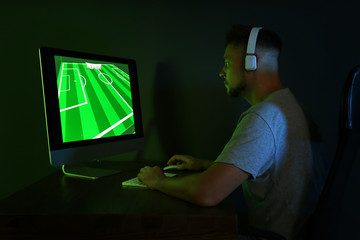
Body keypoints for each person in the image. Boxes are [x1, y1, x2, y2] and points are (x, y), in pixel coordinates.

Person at [137, 24, 328, 240]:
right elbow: (271, 167)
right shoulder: (289, 106)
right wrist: (206, 165)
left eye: (227, 63)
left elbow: (207, 193)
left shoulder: (263, 117)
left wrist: (158, 181)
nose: (221, 72)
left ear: (250, 62)